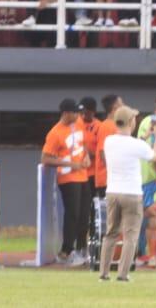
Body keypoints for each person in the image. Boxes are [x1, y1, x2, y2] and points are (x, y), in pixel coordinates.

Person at [98, 105, 156, 282]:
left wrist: (146, 135)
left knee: (110, 233)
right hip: (132, 193)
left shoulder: (109, 141)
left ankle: (103, 273)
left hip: (112, 192)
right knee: (130, 235)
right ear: (130, 122)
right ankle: (122, 274)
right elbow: (154, 156)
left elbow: (130, 145)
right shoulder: (137, 144)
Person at [41, 97, 90, 265]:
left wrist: (87, 157)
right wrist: (70, 163)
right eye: (75, 112)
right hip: (68, 177)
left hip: (83, 174)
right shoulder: (55, 133)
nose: (79, 115)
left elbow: (83, 145)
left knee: (84, 214)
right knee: (73, 214)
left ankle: (82, 248)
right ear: (66, 113)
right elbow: (46, 158)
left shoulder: (80, 124)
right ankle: (66, 250)